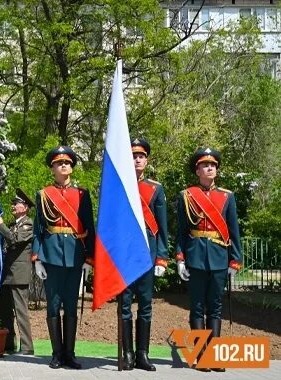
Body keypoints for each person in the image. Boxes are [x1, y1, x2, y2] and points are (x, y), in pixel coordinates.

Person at [176, 147, 242, 373]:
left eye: (213, 165)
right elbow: (182, 231)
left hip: (218, 257)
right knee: (196, 307)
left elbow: (234, 231)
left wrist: (235, 260)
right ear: (197, 170)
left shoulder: (227, 197)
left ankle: (214, 356)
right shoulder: (187, 196)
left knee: (215, 308)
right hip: (195, 256)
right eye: (205, 165)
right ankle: (199, 356)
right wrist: (180, 258)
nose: (210, 168)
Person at [32, 146, 95, 369]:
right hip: (51, 256)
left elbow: (90, 227)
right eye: (59, 163)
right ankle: (56, 354)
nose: (64, 165)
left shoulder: (82, 195)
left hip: (75, 256)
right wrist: (37, 258)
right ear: (52, 168)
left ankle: (70, 353)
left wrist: (89, 259)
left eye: (67, 162)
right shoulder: (43, 195)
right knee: (53, 306)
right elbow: (38, 229)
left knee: (70, 305)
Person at [119, 139, 169, 371]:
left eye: (141, 156)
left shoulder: (155, 189)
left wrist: (161, 257)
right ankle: (127, 354)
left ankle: (142, 354)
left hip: (148, 252)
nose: (137, 159)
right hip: (125, 255)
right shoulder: (119, 185)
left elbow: (162, 227)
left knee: (146, 305)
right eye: (133, 156)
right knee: (125, 305)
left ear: (146, 160)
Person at [0, 188, 35, 355]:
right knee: (4, 312)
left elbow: (14, 239)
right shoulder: (13, 225)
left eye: (16, 203)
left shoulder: (28, 224)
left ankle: (26, 347)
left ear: (24, 207)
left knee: (20, 312)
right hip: (7, 274)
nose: (13, 206)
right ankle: (8, 344)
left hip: (19, 274)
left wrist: (0, 225)